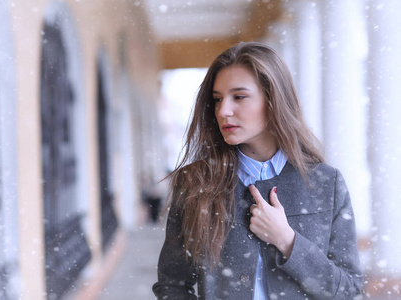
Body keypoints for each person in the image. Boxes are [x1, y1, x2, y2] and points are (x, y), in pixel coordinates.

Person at [152, 42, 363, 299]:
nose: (224, 111)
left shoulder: (326, 183)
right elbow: (172, 284)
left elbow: (348, 291)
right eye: (217, 99)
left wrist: (287, 241)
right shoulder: (195, 183)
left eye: (239, 97)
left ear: (273, 100)